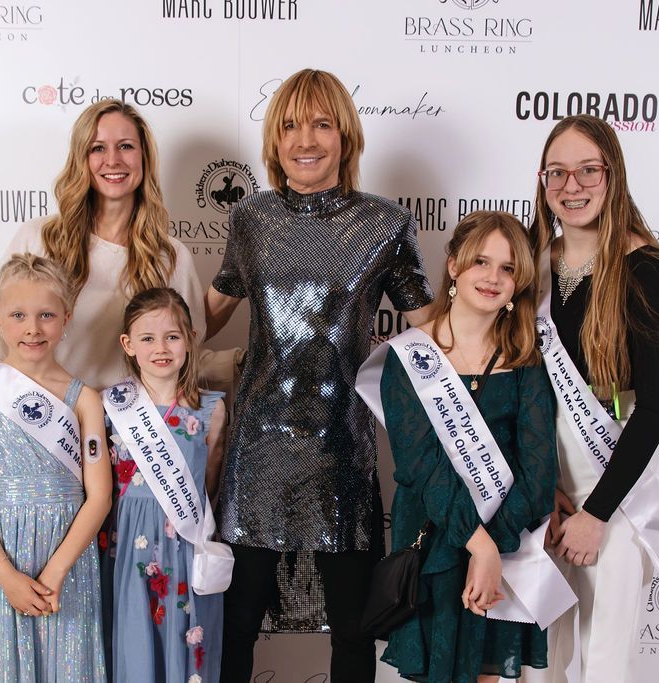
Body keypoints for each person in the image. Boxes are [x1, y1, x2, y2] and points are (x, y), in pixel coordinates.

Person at [204, 68, 434, 682]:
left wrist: (505, 345)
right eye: (290, 125)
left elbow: (432, 332)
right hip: (258, 448)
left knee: (353, 632)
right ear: (275, 141)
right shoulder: (250, 219)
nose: (305, 140)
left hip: (341, 450)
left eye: (322, 123)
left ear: (346, 136)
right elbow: (204, 315)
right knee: (237, 621)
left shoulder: (385, 222)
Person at [368, 211, 558, 682]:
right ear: (453, 266)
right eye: (481, 262)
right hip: (434, 542)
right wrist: (479, 548)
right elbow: (419, 466)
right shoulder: (407, 356)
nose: (493, 278)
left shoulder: (526, 359)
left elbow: (538, 475)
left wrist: (494, 548)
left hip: (506, 537)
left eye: (508, 268)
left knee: (486, 677)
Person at [526, 114, 659, 682]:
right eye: (558, 173)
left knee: (603, 661)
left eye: (588, 170)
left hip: (613, 498)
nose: (573, 186)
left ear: (612, 176)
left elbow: (655, 407)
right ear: (542, 183)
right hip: (547, 496)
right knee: (543, 665)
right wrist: (542, 488)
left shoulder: (646, 269)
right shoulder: (533, 263)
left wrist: (596, 513)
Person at [0, 98, 205, 408]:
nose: (113, 160)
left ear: (144, 157)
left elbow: (189, 356)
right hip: (41, 423)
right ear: (81, 158)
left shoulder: (170, 257)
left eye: (125, 147)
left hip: (129, 437)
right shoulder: (39, 238)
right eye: (97, 148)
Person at [0, 253, 110, 681]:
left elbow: (99, 496)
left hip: (67, 559)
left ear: (66, 318)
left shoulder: (85, 400)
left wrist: (56, 570)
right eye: (18, 314)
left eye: (46, 315)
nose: (32, 328)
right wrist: (6, 576)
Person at [101, 288, 227, 682]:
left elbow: (211, 481)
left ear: (190, 340)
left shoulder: (211, 409)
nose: (161, 348)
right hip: (127, 544)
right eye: (148, 338)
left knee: (182, 641)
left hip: (184, 547)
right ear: (128, 344)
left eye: (172, 336)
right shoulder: (109, 406)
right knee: (133, 640)